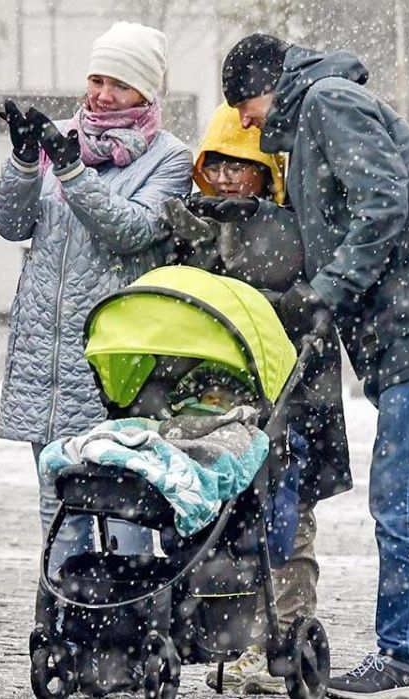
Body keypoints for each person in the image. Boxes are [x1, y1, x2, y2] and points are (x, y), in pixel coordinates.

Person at [220, 34, 409, 699]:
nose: (243, 120)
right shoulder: (325, 110)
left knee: (403, 497)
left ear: (272, 84)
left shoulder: (328, 102)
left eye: (244, 101)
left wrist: (327, 291)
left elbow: (381, 203)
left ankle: (401, 652)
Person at [161, 102, 352, 695]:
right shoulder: (193, 227)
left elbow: (290, 309)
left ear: (266, 173)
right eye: (214, 164)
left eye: (238, 167)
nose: (223, 178)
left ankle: (286, 626)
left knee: (286, 520)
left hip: (285, 408)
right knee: (221, 520)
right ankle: (225, 628)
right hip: (218, 405)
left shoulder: (289, 234)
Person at [0, 22, 193, 569]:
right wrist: (26, 162)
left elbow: (129, 229)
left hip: (114, 359)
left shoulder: (170, 158)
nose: (102, 94)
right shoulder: (58, 138)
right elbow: (9, 223)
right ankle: (64, 626)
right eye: (97, 79)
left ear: (147, 92)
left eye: (119, 84)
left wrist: (73, 170)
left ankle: (127, 622)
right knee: (59, 508)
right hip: (46, 355)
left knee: (127, 505)